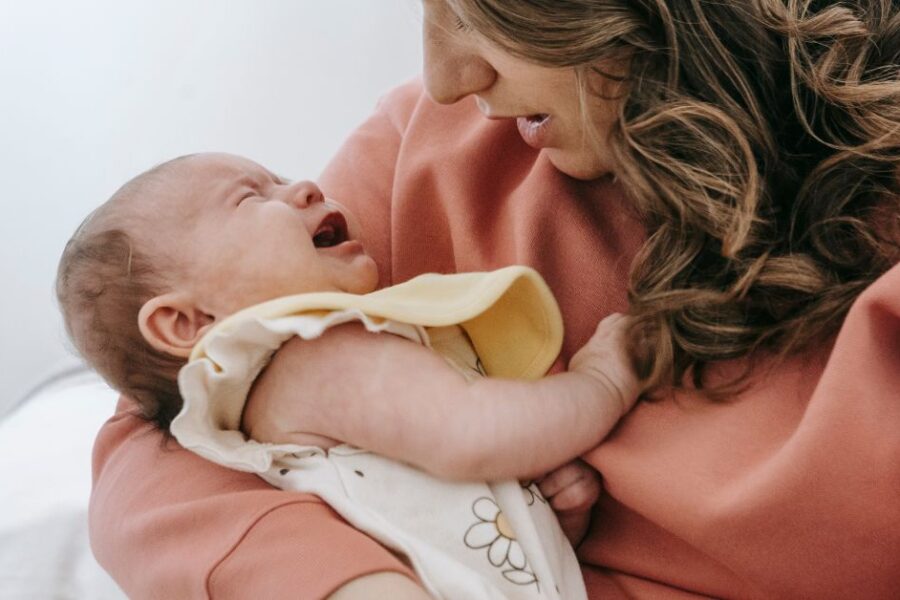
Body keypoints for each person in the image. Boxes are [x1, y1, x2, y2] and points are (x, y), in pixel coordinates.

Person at [87, 0, 900, 598]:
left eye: (479, 10)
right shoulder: (438, 147)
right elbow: (159, 422)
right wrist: (346, 583)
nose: (446, 78)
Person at [57, 151, 644, 599]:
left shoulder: (302, 386)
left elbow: (437, 534)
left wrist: (544, 516)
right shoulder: (314, 355)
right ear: (186, 321)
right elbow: (474, 435)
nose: (305, 187)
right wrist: (602, 385)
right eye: (250, 198)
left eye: (281, 177)